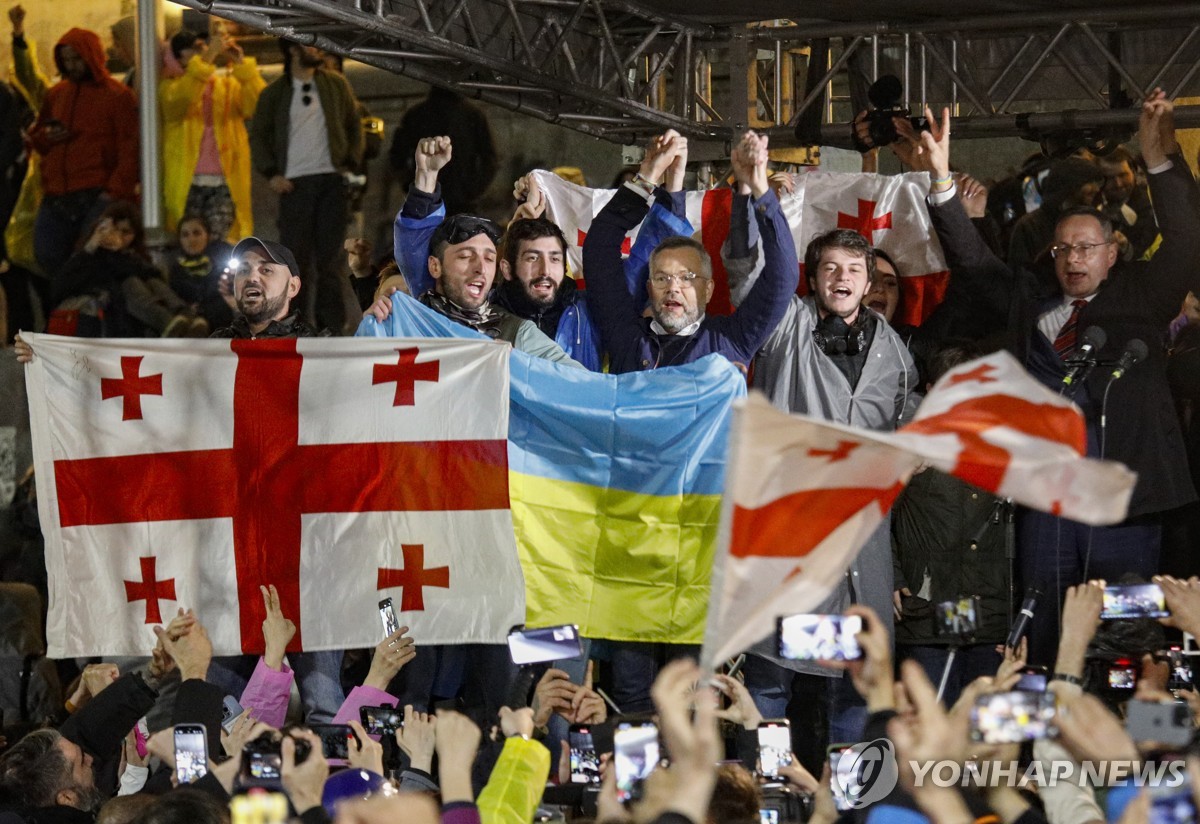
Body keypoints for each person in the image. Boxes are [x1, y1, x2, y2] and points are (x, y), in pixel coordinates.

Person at [916, 89, 1200, 666]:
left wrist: (1160, 160)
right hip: (1047, 507)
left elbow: (1188, 241)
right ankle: (1045, 750)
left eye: (1087, 248)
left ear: (1112, 253)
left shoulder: (1143, 297)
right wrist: (941, 182)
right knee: (1042, 635)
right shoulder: (1028, 299)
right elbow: (973, 261)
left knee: (1126, 640)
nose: (1074, 259)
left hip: (1125, 506)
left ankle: (1127, 747)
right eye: (1063, 248)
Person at [724, 170, 918, 744]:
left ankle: (851, 806)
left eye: (854, 270)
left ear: (869, 283)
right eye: (830, 268)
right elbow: (745, 271)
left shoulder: (896, 351)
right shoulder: (786, 326)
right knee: (769, 689)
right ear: (811, 278)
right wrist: (751, 198)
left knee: (856, 695)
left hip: (862, 559)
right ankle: (768, 801)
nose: (842, 278)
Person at [582, 129, 798, 376]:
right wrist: (648, 176)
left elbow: (783, 278)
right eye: (662, 278)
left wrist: (760, 190)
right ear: (649, 288)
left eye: (687, 278)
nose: (673, 288)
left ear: (708, 289)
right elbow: (599, 246)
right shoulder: (626, 336)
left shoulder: (731, 339)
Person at [366, 136, 580, 366]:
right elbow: (413, 248)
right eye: (465, 257)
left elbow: (578, 383)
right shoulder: (414, 318)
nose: (480, 268)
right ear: (435, 266)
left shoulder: (515, 333)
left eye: (489, 258)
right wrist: (425, 179)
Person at [249, 38, 363, 332]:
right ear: (293, 50)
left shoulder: (335, 84)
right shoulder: (274, 93)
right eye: (310, 45)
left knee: (331, 261)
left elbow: (354, 123)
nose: (318, 49)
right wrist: (272, 173)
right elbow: (258, 135)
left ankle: (333, 327)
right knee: (296, 261)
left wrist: (349, 162)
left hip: (331, 182)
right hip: (295, 186)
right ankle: (297, 325)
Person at [13, 12, 138, 279]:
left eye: (76, 59)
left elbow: (130, 148)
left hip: (95, 191)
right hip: (58, 192)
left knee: (87, 257)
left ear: (89, 56)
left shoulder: (117, 96)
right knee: (46, 253)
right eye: (66, 60)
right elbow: (38, 136)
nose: (71, 66)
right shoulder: (57, 94)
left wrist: (114, 191)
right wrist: (47, 137)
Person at [160, 27, 265, 244]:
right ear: (177, 56)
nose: (203, 52)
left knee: (221, 248)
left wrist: (241, 64)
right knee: (191, 246)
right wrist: (207, 59)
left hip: (224, 182)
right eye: (194, 49)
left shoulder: (226, 85)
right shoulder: (169, 87)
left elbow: (257, 106)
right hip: (188, 183)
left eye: (203, 47)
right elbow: (183, 101)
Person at [52, 201, 208, 339]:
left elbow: (153, 275)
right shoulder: (90, 254)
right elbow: (62, 285)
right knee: (131, 282)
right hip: (110, 315)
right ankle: (167, 322)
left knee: (152, 281)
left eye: (126, 232)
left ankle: (185, 317)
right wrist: (93, 245)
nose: (119, 235)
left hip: (136, 318)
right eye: (116, 230)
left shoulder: (135, 257)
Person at [389, 86, 497, 216]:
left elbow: (397, 156)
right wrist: (472, 190)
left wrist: (413, 186)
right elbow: (490, 159)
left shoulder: (417, 114)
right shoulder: (473, 115)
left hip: (429, 197)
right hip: (461, 199)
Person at [167, 213, 234, 331]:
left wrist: (203, 311)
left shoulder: (221, 260)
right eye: (185, 235)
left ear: (207, 235)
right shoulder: (176, 269)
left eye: (197, 233)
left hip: (220, 325)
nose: (191, 239)